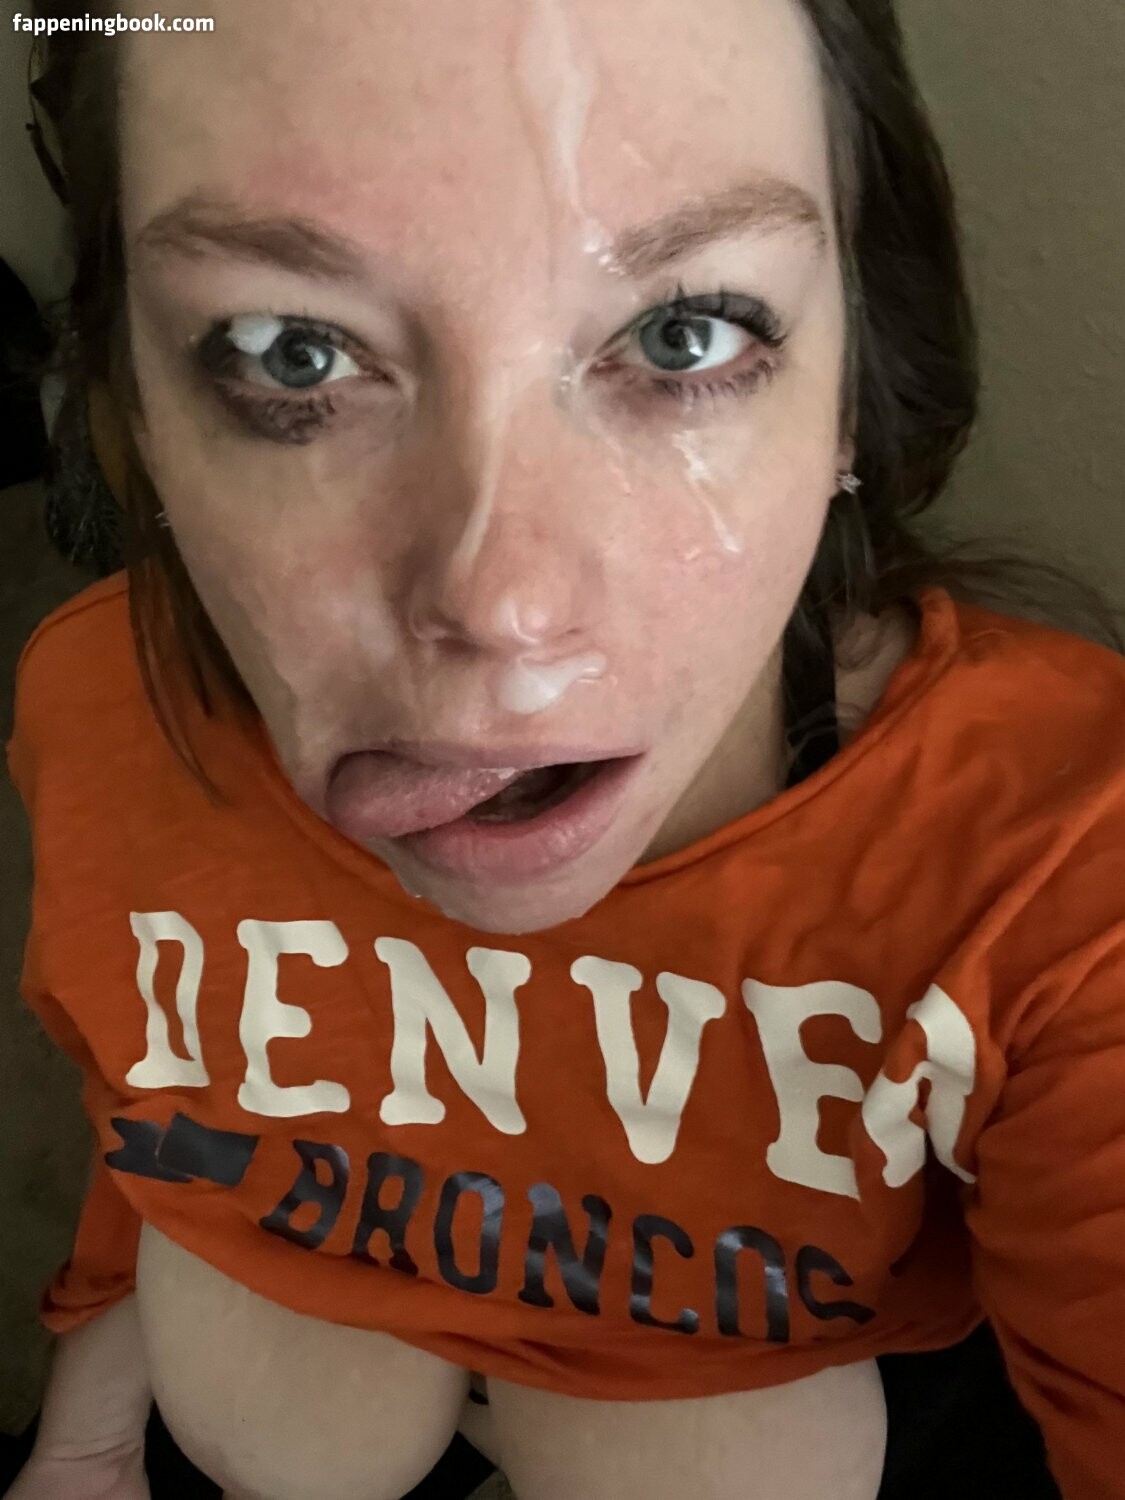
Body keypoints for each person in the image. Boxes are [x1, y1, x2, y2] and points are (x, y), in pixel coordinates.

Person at [5, 0, 1123, 1496]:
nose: (503, 612)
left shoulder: (1067, 858)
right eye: (292, 353)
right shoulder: (97, 707)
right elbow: (155, 1101)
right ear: (131, 417)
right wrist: (80, 1451)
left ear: (853, 390)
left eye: (683, 334)